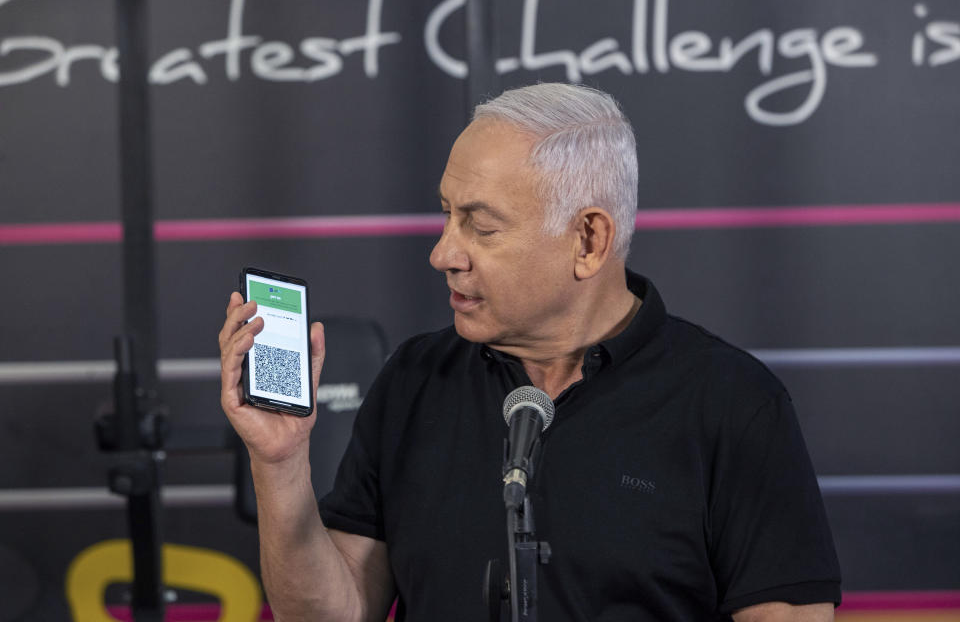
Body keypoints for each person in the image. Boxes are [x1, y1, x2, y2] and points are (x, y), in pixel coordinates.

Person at [219, 83, 841, 621]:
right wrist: (279, 466)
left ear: (589, 240)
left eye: (481, 227)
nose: (444, 253)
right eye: (446, 216)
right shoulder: (413, 379)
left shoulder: (733, 404)